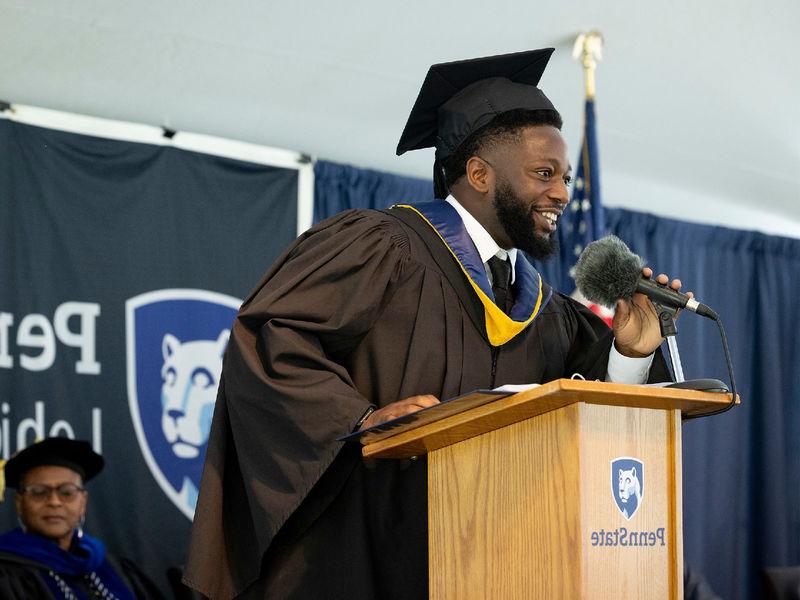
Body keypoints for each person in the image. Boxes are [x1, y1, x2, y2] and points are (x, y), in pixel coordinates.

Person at [185, 48, 685, 599]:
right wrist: (365, 418)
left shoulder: (546, 309)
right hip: (363, 560)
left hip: (501, 565)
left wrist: (632, 353)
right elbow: (273, 337)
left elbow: (589, 419)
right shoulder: (382, 248)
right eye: (544, 173)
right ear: (479, 174)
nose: (563, 193)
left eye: (565, 177)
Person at [0, 437, 165, 599]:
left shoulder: (109, 565)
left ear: (83, 502)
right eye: (38, 492)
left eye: (67, 492)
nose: (54, 502)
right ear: (19, 503)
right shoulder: (7, 571)